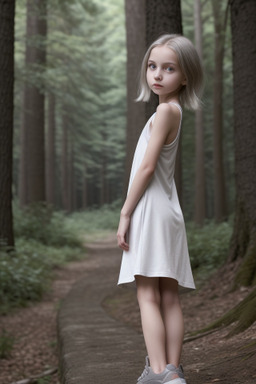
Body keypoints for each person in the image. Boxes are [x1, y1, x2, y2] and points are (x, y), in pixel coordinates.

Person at [117, 34, 203, 384]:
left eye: (169, 68)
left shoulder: (166, 110)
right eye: (153, 66)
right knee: (168, 295)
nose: (157, 74)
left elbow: (148, 168)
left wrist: (125, 213)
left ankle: (156, 372)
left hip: (150, 210)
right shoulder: (173, 110)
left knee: (147, 294)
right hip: (168, 211)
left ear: (184, 77)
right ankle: (172, 370)